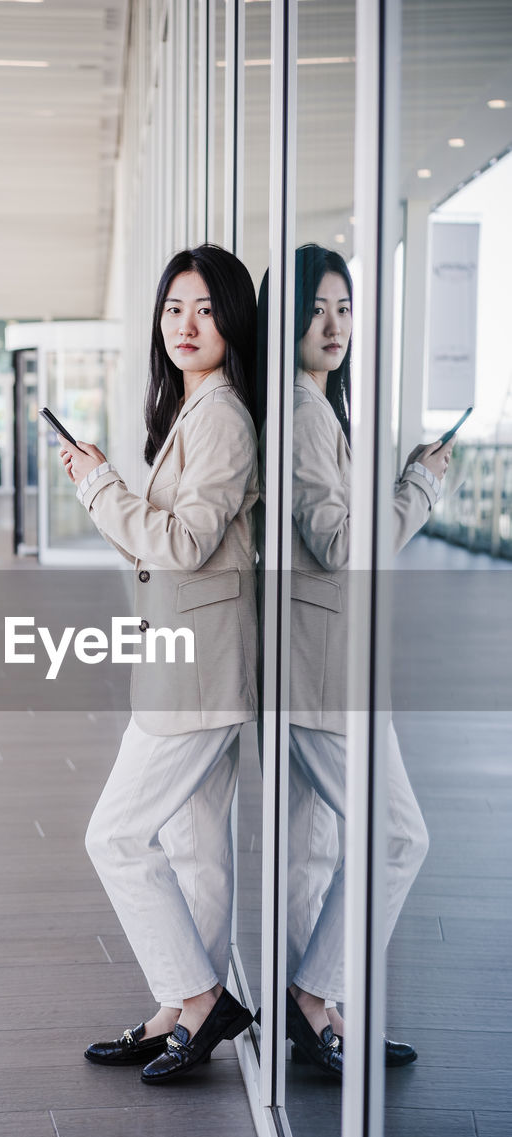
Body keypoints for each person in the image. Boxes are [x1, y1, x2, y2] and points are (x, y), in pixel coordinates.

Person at [57, 244, 259, 1083]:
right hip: (190, 657)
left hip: (200, 670)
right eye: (175, 307)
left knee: (114, 835)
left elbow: (179, 545)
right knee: (195, 848)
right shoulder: (191, 411)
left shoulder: (221, 417)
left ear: (232, 322)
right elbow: (159, 553)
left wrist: (105, 487)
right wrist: (97, 485)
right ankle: (180, 1015)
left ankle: (202, 1001)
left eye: (206, 309)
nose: (186, 324)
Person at [258, 244, 451, 1078]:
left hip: (303, 664)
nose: (333, 324)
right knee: (398, 837)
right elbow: (340, 546)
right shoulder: (303, 413)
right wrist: (418, 488)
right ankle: (314, 996)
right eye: (316, 308)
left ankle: (314, 1011)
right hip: (323, 673)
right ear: (287, 317)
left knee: (312, 848)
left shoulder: (308, 407)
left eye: (343, 307)